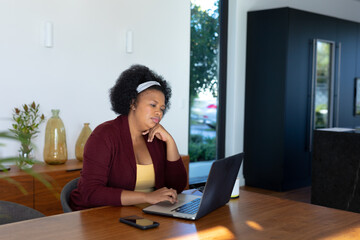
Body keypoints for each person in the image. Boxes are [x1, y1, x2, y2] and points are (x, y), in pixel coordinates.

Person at [70, 64, 187, 210]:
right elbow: (90, 192)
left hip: (143, 215)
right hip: (101, 218)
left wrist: (170, 142)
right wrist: (147, 197)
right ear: (132, 103)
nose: (159, 113)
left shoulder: (156, 138)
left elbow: (177, 187)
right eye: (153, 105)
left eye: (162, 109)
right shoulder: (104, 136)